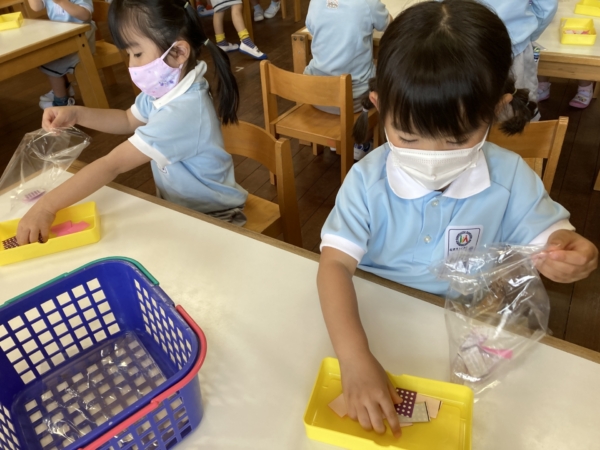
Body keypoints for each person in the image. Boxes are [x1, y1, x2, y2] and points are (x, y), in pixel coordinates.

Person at [318, 0, 598, 438]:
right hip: (367, 321)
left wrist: (569, 253)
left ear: (497, 110)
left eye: (455, 140)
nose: (431, 157)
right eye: (408, 137)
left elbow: (553, 239)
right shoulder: (367, 181)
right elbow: (334, 265)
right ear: (379, 104)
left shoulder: (509, 179)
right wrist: (354, 359)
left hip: (467, 330)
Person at [16, 0, 248, 245]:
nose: (131, 64)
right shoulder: (167, 89)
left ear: (179, 52)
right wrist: (77, 114)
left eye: (137, 53)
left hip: (214, 218)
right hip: (181, 207)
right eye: (128, 54)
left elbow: (111, 165)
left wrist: (46, 207)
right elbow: (127, 119)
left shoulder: (182, 111)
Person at [303, 0, 391, 160]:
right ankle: (361, 141)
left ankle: (335, 135)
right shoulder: (367, 3)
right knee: (384, 76)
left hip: (315, 95)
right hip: (354, 100)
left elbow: (310, 28)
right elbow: (389, 25)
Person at [477, 0, 558, 107]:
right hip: (516, 45)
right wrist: (530, 34)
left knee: (474, 104)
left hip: (466, 45)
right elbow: (547, 7)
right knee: (520, 102)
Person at [26, 0, 96, 109]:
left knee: (51, 62)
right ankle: (64, 88)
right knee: (45, 56)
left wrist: (61, 1)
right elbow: (37, 7)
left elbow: (85, 15)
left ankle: (62, 102)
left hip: (81, 36)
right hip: (61, 34)